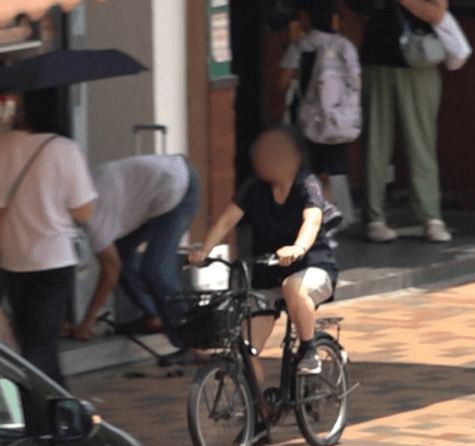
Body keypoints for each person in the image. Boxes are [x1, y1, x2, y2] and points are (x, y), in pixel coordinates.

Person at [189, 125, 338, 382]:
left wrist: (298, 248)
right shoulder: (255, 187)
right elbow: (227, 221)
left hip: (312, 268)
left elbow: (312, 221)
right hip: (267, 276)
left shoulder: (307, 183)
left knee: (293, 286)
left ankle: (308, 350)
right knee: (246, 349)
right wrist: (204, 250)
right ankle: (261, 414)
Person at [0, 88, 98, 389]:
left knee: (31, 342)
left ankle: (52, 413)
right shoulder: (67, 150)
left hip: (13, 261)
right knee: (42, 347)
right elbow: (84, 213)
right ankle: (55, 415)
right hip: (54, 260)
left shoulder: (5, 146)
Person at [346, 0, 452, 244]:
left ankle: (430, 217)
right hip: (376, 60)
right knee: (375, 143)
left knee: (421, 143)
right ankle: (374, 218)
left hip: (420, 62)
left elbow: (436, 12)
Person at [73, 154, 201, 344]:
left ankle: (190, 339)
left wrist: (88, 319)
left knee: (156, 269)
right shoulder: (86, 189)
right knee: (124, 257)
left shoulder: (95, 217)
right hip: (156, 192)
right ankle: (154, 316)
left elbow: (110, 270)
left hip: (180, 187)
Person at [279, 0, 360, 206]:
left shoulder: (301, 45)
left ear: (307, 18)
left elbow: (282, 83)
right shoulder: (346, 46)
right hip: (337, 120)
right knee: (332, 172)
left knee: (307, 172)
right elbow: (356, 83)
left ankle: (309, 217)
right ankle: (332, 216)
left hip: (306, 120)